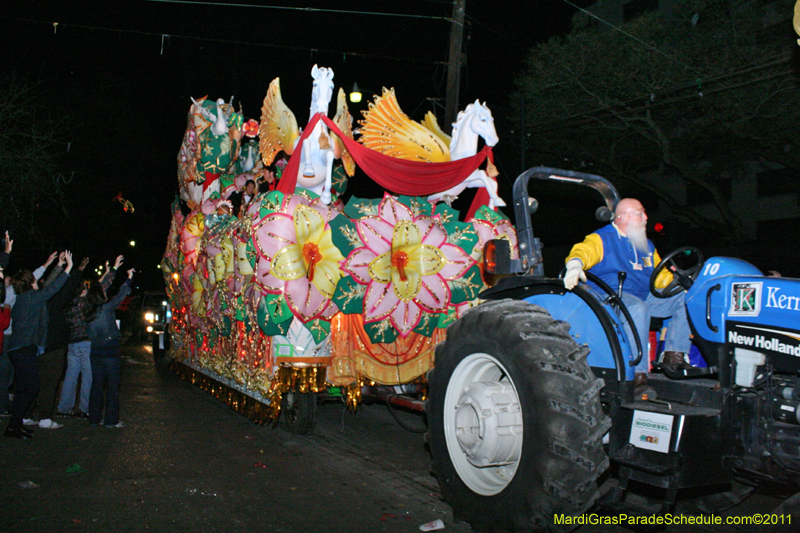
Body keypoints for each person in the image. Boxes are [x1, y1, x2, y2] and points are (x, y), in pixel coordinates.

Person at [563, 198, 692, 399]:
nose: (646, 217)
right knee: (638, 308)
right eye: (640, 213)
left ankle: (673, 356)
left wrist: (681, 283)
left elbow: (660, 278)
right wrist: (575, 265)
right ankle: (637, 375)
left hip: (641, 295)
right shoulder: (602, 238)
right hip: (610, 295)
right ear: (623, 217)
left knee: (686, 299)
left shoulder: (646, 246)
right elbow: (584, 251)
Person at [3, 252, 73, 439]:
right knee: (31, 388)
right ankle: (13, 426)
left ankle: (15, 425)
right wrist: (68, 268)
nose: (37, 281)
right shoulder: (30, 298)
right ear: (31, 283)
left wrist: (53, 264)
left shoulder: (22, 298)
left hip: (18, 349)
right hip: (24, 349)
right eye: (34, 279)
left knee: (24, 388)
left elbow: (45, 283)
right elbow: (52, 289)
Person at [23, 252, 86, 429]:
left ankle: (25, 415)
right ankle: (44, 418)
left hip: (33, 348)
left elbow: (51, 283)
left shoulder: (26, 300)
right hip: (52, 347)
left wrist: (58, 265)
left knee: (33, 383)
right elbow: (66, 288)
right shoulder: (49, 301)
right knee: (49, 384)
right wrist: (73, 268)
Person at [58, 256, 121, 418]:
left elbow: (96, 286)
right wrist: (113, 270)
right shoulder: (85, 303)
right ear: (83, 291)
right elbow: (101, 287)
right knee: (88, 377)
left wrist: (105, 273)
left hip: (72, 344)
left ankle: (64, 408)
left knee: (70, 377)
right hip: (86, 343)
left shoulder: (68, 304)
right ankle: (84, 409)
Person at [87, 267, 134, 428]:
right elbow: (121, 295)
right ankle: (111, 420)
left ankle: (94, 418)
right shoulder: (106, 309)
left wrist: (108, 272)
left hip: (95, 352)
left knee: (97, 386)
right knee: (112, 388)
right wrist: (128, 279)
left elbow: (96, 288)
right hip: (110, 351)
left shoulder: (86, 310)